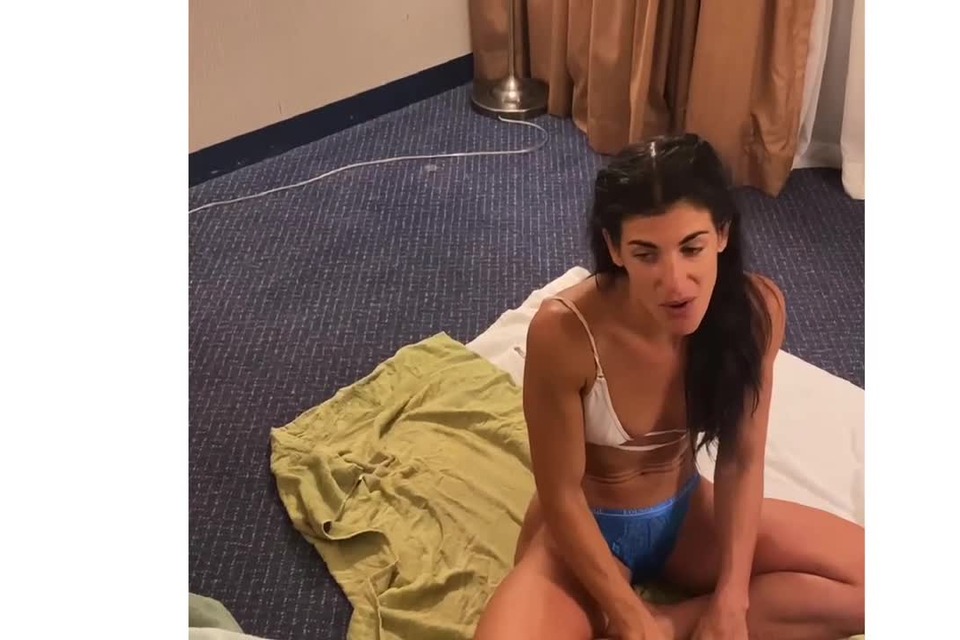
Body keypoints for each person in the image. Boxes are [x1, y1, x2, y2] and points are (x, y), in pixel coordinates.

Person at [473, 134, 864, 640]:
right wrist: (627, 614)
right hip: (586, 531)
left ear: (721, 234)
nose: (676, 282)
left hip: (686, 517)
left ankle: (676, 624)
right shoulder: (564, 333)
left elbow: (742, 460)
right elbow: (561, 494)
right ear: (615, 249)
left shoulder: (756, 313)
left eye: (691, 248)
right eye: (647, 254)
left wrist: (731, 599)